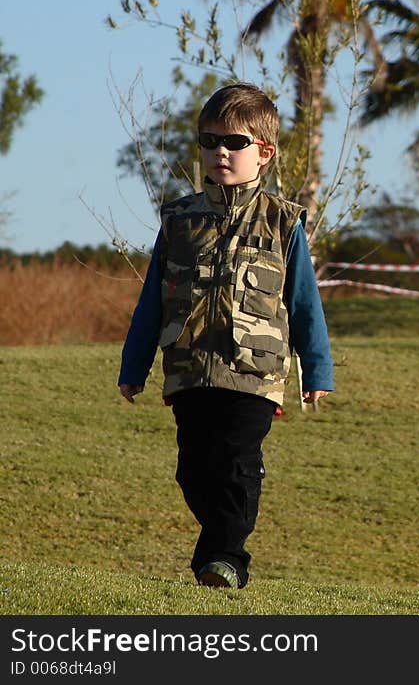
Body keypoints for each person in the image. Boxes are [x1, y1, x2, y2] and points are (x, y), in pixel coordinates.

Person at [118, 83, 334, 589]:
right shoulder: (179, 222)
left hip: (253, 375)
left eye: (234, 143)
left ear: (264, 153)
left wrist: (316, 370)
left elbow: (304, 303)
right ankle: (220, 548)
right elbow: (151, 302)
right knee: (193, 472)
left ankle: (224, 561)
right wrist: (134, 368)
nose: (220, 152)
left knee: (237, 463)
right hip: (190, 371)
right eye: (209, 141)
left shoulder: (284, 222)